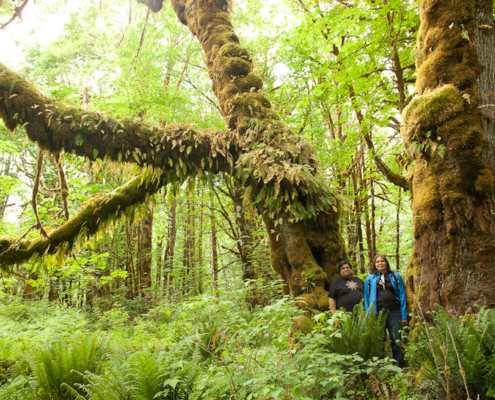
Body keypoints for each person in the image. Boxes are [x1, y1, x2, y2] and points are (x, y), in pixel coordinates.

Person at [364, 254, 408, 367]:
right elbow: (367, 298)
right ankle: (383, 366)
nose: (380, 263)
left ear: (386, 262)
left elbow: (402, 295)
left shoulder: (395, 276)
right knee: (380, 340)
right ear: (374, 264)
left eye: (382, 261)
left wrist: (404, 316)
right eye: (377, 261)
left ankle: (398, 365)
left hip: (394, 312)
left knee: (396, 339)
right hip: (378, 313)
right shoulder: (370, 278)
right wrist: (369, 316)